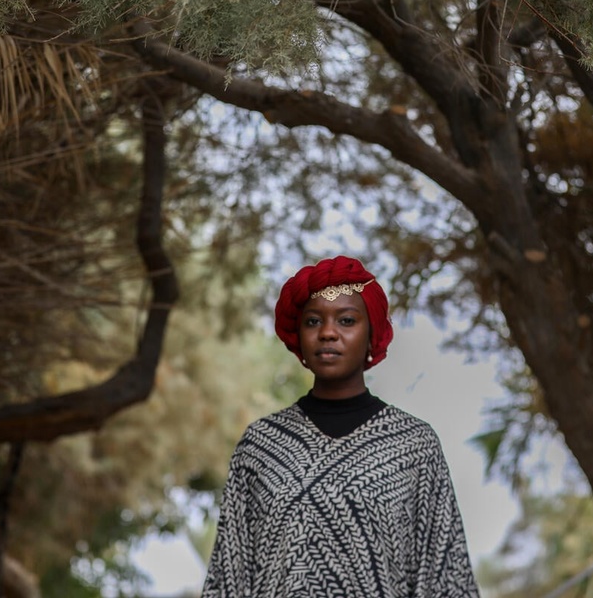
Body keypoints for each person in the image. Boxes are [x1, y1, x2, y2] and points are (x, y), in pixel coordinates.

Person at [202, 255, 480, 597]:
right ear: (299, 337)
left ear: (372, 334)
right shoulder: (260, 446)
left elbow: (446, 576)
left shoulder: (413, 446)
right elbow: (228, 577)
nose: (328, 333)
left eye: (346, 320)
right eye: (313, 321)